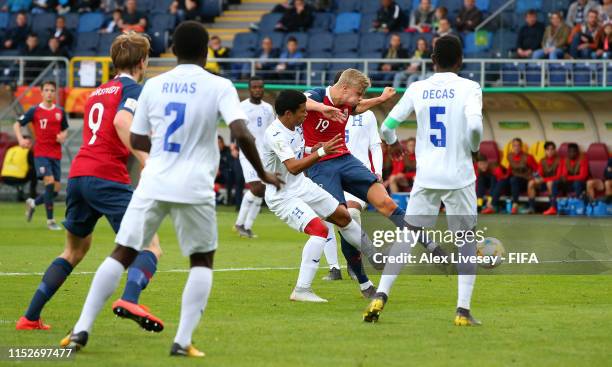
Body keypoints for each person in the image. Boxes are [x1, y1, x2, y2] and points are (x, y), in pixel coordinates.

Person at [60, 21, 282, 356]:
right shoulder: (219, 85)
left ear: (173, 51)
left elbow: (135, 138)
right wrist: (263, 172)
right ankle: (182, 341)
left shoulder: (153, 85)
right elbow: (241, 131)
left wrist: (162, 148)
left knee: (122, 252)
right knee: (201, 261)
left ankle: (80, 330)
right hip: (194, 185)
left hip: (154, 180)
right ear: (207, 52)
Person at [15, 33, 166, 332]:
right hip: (107, 176)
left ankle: (29, 317)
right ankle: (130, 298)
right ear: (142, 61)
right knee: (151, 245)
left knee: (74, 251)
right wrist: (146, 158)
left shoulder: (97, 92)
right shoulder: (134, 88)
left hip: (79, 175)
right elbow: (122, 122)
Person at [364, 35, 483, 326]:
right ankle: (462, 311)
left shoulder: (418, 88)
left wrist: (392, 143)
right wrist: (474, 148)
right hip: (459, 175)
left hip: (427, 176)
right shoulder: (470, 87)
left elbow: (388, 126)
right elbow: (476, 126)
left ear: (432, 59)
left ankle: (380, 294)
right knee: (465, 240)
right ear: (460, 61)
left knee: (407, 236)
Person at [303, 69, 446, 272]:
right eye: (359, 93)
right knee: (344, 217)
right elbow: (299, 101)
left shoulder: (348, 104)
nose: (360, 98)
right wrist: (322, 108)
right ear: (344, 88)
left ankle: (431, 246)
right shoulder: (317, 95)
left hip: (345, 160)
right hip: (320, 166)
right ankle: (369, 258)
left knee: (386, 203)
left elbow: (358, 107)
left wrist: (381, 98)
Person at [262, 89, 372, 302]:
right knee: (320, 230)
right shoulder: (275, 134)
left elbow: (300, 152)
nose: (306, 115)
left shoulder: (295, 126)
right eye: (302, 111)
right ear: (287, 113)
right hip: (282, 195)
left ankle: (374, 253)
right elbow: (293, 166)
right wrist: (321, 153)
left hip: (301, 186)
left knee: (343, 216)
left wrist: (316, 147)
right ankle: (301, 290)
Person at [321, 70, 383, 296]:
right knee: (329, 223)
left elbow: (375, 145)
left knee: (351, 216)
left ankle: (356, 263)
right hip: (329, 173)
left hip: (355, 172)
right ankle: (334, 267)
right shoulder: (326, 112)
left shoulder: (365, 115)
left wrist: (378, 171)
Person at [13, 81, 67, 231]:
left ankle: (33, 203)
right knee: (48, 182)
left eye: (52, 90)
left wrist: (63, 136)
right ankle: (50, 221)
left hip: (56, 154)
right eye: (46, 90)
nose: (49, 93)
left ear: (55, 93)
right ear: (41, 93)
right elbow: (17, 124)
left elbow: (64, 129)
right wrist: (20, 139)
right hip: (41, 153)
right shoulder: (34, 110)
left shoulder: (60, 112)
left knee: (55, 190)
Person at [234, 76, 275, 238]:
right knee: (257, 188)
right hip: (248, 153)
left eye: (260, 87)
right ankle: (239, 224)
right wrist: (233, 144)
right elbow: (236, 127)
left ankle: (247, 226)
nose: (257, 90)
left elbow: (272, 130)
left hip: (264, 154)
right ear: (249, 89)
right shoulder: (242, 107)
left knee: (262, 191)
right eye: (254, 87)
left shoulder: (268, 108)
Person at [482, 138, 538, 214]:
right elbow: (510, 168)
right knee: (502, 181)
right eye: (514, 146)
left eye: (518, 145)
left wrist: (534, 180)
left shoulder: (528, 157)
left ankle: (515, 205)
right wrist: (505, 176)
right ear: (512, 147)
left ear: (521, 147)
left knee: (513, 179)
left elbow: (537, 169)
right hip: (514, 181)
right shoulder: (510, 156)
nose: (516, 147)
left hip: (525, 180)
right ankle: (492, 205)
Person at [544, 143, 588, 215]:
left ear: (577, 152)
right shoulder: (565, 160)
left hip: (581, 184)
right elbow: (564, 174)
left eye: (574, 151)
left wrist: (568, 178)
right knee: (556, 182)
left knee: (577, 182)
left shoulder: (583, 160)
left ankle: (577, 206)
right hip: (570, 183)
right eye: (570, 152)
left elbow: (583, 176)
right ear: (567, 152)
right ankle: (553, 207)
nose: (572, 153)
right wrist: (564, 177)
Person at [526, 141, 561, 214]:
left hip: (556, 183)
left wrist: (543, 179)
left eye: (552, 149)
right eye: (548, 149)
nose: (550, 151)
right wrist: (537, 178)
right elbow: (539, 173)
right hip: (544, 182)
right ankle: (531, 207)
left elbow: (558, 176)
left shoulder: (560, 160)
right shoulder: (542, 161)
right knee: (531, 183)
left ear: (555, 150)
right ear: (545, 151)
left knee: (549, 183)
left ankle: (552, 207)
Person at [1, 136, 37, 201]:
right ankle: (33, 195)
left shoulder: (10, 149)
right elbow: (33, 165)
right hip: (18, 178)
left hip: (4, 177)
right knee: (34, 172)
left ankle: (20, 193)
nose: (30, 145)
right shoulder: (28, 151)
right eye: (29, 143)